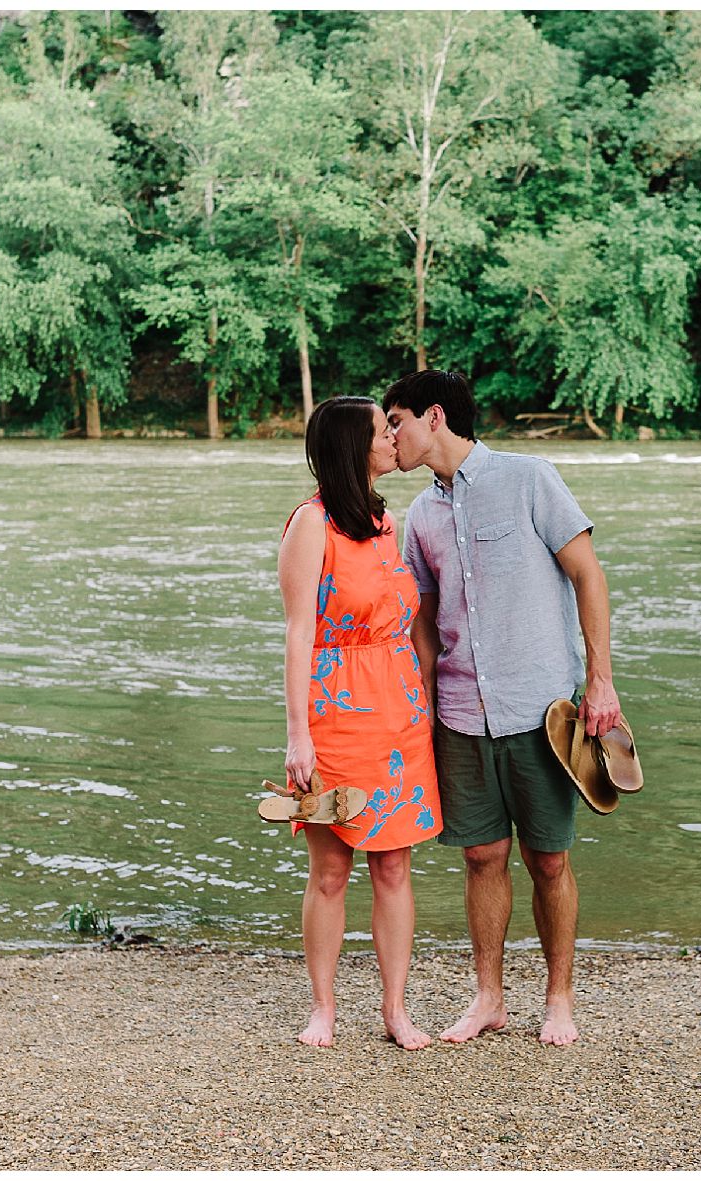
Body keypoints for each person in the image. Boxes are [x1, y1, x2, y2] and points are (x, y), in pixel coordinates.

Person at [384, 370, 622, 1047]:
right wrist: (420, 710)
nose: (390, 436)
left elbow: (588, 573)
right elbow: (423, 623)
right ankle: (488, 997)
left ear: (434, 416)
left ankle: (559, 999)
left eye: (396, 420)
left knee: (549, 858)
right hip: (460, 713)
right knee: (482, 856)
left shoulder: (530, 478)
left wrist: (601, 681)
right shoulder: (421, 517)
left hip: (542, 708)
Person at [273, 395, 443, 1050]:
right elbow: (297, 635)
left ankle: (395, 1010)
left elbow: (401, 617)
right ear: (354, 447)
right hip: (335, 713)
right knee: (330, 870)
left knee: (394, 866)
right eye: (381, 430)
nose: (392, 438)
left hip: (397, 713)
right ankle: (323, 1007)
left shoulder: (384, 518)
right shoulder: (310, 524)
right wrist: (298, 735)